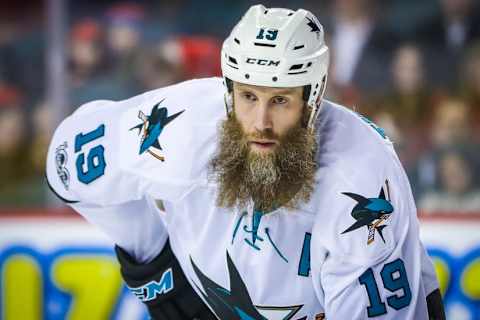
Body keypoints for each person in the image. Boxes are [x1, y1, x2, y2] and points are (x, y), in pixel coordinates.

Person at [45, 5, 445, 320]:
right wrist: (153, 261)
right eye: (248, 97)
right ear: (228, 93)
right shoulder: (176, 128)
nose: (261, 124)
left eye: (281, 100)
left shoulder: (362, 182)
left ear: (314, 98)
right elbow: (65, 160)